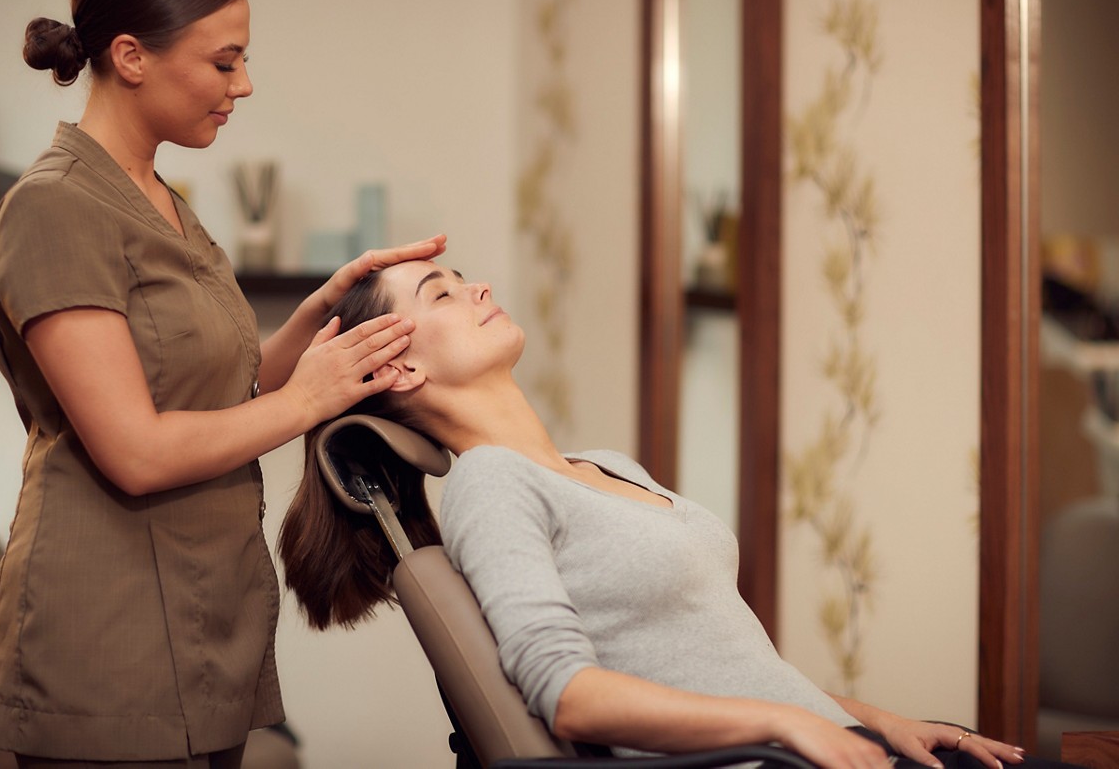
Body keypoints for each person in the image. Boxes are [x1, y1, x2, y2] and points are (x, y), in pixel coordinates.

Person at [279, 260, 1078, 769]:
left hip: (823, 743)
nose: (480, 285)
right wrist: (788, 728)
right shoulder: (492, 486)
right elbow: (566, 692)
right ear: (403, 363)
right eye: (443, 292)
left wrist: (873, 719)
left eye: (464, 277)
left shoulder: (605, 467)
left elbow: (721, 654)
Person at [0, 0, 445, 767]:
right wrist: (307, 401)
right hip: (106, 636)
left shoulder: (161, 200)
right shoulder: (55, 208)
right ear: (130, 56)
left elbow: (221, 390)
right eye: (224, 62)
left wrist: (322, 311)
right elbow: (135, 450)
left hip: (208, 617)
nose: (244, 84)